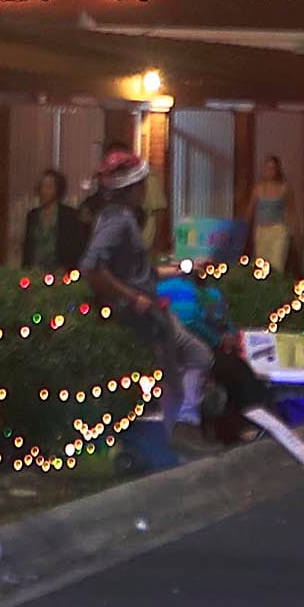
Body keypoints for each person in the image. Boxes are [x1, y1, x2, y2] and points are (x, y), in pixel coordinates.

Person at [77, 149, 202, 467]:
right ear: (132, 188)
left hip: (143, 311)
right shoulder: (118, 221)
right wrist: (133, 297)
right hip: (137, 315)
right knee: (188, 363)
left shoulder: (121, 218)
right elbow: (91, 267)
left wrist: (183, 269)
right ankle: (173, 438)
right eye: (143, 184)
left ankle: (169, 440)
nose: (147, 190)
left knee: (173, 374)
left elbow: (138, 272)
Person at [17, 166, 85, 276]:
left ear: (58, 190)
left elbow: (77, 248)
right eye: (42, 186)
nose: (44, 191)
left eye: (49, 187)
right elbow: (27, 249)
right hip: (34, 274)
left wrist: (65, 268)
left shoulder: (69, 215)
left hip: (60, 275)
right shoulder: (32, 215)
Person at [245, 155, 295, 276]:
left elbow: (291, 211)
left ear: (277, 170)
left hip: (278, 230)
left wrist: (294, 232)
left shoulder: (284, 189)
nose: (269, 171)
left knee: (277, 265)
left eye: (272, 168)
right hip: (262, 231)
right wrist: (243, 230)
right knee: (261, 267)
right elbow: (249, 212)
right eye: (267, 168)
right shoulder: (258, 189)